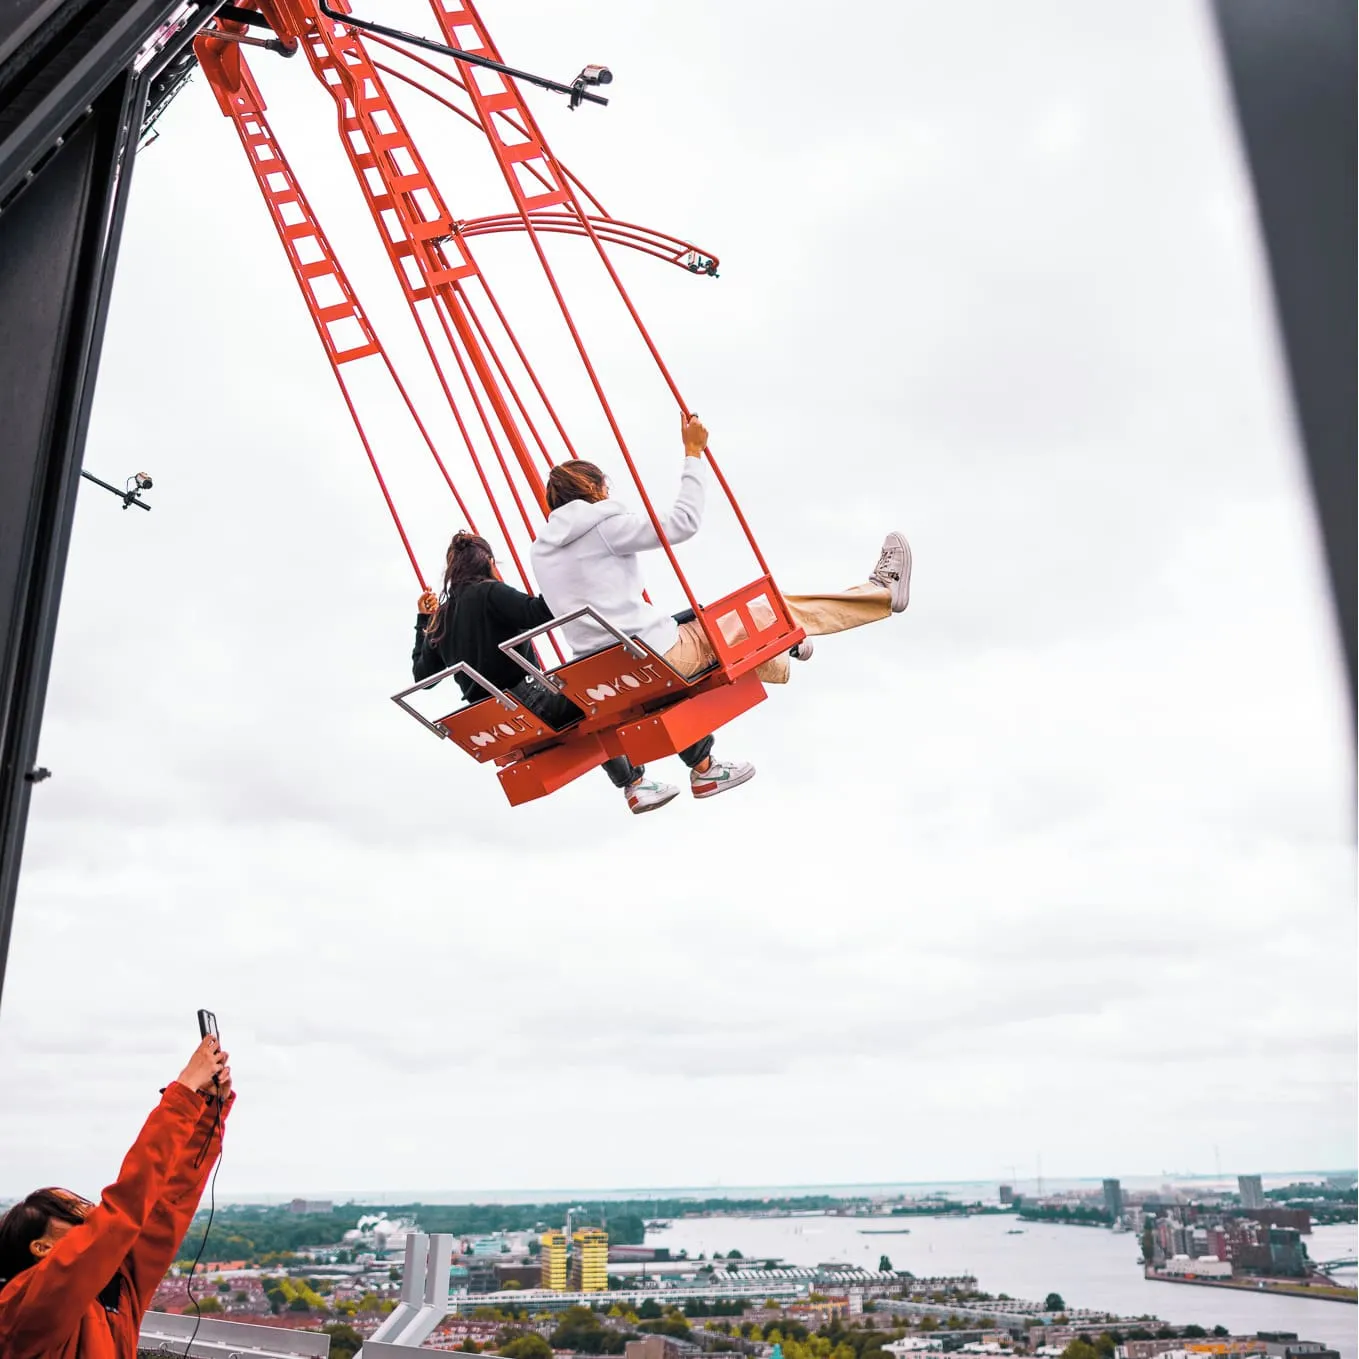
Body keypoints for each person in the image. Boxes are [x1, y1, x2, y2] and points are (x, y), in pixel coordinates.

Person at [529, 414, 911, 793]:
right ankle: (878, 595)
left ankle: (785, 651)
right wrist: (693, 453)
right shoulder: (604, 526)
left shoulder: (541, 552)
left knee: (711, 623)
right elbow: (683, 522)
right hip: (656, 657)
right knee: (765, 610)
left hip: (601, 675)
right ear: (596, 490)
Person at [413, 531, 683, 814]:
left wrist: (423, 621)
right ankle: (650, 778)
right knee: (599, 691)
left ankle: (637, 783)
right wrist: (569, 581)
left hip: (496, 722)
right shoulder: (490, 592)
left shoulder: (441, 616)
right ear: (490, 562)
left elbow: (423, 676)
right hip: (530, 702)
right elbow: (538, 612)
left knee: (583, 699)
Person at [0, 1035, 233, 1359]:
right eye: (74, 1213)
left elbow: (167, 1206)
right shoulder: (25, 1305)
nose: (91, 1213)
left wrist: (206, 1108)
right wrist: (182, 1092)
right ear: (42, 1248)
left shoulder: (117, 1287)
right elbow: (125, 1207)